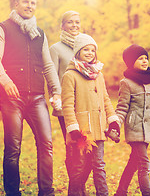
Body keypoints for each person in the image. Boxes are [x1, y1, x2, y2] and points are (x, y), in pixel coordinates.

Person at [0, 0, 61, 196]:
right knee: (13, 149)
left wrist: (56, 91)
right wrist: (6, 81)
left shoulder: (40, 33)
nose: (30, 5)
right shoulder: (2, 29)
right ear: (16, 3)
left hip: (37, 97)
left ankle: (46, 192)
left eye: (33, 3)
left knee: (46, 144)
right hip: (12, 99)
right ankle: (12, 193)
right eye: (26, 2)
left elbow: (47, 65)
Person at [61, 34, 119, 196]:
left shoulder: (98, 75)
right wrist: (73, 129)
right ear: (78, 51)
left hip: (99, 129)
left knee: (99, 165)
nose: (90, 52)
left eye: (93, 50)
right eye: (86, 49)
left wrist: (112, 120)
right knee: (79, 167)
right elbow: (67, 105)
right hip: (82, 132)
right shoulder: (70, 75)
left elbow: (106, 99)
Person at [112, 44, 150, 196]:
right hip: (135, 130)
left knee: (134, 163)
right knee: (144, 163)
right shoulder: (127, 83)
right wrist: (115, 125)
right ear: (131, 62)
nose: (144, 61)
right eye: (140, 58)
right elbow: (122, 108)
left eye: (145, 58)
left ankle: (121, 192)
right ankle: (147, 193)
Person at [49, 10, 81, 140]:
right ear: (62, 26)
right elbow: (52, 76)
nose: (74, 25)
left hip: (85, 102)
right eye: (70, 22)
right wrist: (56, 98)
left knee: (88, 144)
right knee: (72, 143)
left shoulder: (85, 47)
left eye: (77, 22)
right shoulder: (55, 49)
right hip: (66, 103)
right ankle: (71, 161)